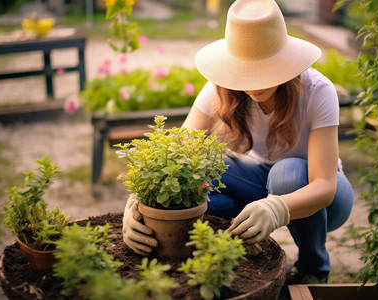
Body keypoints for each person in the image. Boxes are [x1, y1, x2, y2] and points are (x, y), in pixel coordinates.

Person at [122, 0, 354, 284]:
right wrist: (138, 204)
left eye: (265, 69)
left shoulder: (317, 91)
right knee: (204, 172)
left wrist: (276, 207)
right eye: (246, 70)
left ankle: (312, 269)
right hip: (258, 182)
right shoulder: (221, 88)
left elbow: (325, 187)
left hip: (325, 197)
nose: (254, 82)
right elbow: (177, 156)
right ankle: (227, 256)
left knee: (287, 173)